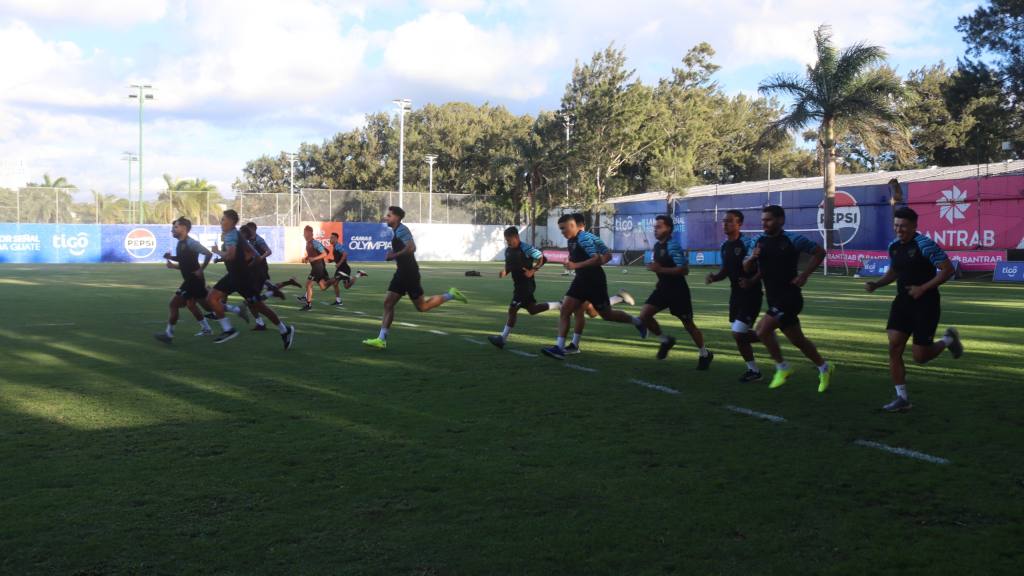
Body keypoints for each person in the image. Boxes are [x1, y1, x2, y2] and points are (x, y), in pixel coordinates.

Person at [865, 206, 963, 412]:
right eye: (896, 226)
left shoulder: (925, 245)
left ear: (914, 226)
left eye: (904, 226)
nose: (899, 230)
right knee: (894, 346)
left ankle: (949, 339)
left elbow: (948, 270)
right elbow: (893, 272)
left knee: (920, 357)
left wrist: (923, 288)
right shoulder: (893, 246)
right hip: (902, 303)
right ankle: (902, 398)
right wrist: (877, 284)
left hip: (926, 304)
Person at [743, 205, 833, 392]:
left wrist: (804, 275)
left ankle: (782, 367)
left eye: (768, 220)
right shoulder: (758, 242)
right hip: (774, 298)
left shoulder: (793, 239)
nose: (764, 223)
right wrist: (752, 258)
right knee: (798, 340)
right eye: (762, 220)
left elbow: (820, 252)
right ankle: (824, 367)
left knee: (762, 330)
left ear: (780, 220)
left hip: (790, 296)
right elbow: (746, 266)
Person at [541, 214, 647, 360]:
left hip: (594, 281)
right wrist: (573, 262)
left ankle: (637, 321)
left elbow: (597, 258)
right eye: (560, 229)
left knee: (606, 314)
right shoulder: (572, 240)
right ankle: (562, 347)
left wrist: (576, 265)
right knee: (568, 310)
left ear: (574, 225)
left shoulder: (584, 238)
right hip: (581, 280)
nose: (562, 232)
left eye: (563, 229)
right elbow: (606, 255)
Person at [362, 206, 468, 350]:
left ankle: (450, 294)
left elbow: (412, 248)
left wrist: (393, 255)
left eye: (389, 215)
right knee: (392, 304)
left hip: (409, 273)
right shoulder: (396, 231)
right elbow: (404, 248)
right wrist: (394, 252)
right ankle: (381, 339)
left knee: (419, 306)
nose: (386, 218)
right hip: (402, 272)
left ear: (397, 218)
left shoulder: (402, 230)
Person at [207, 209, 295, 349]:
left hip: (240, 278)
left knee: (257, 306)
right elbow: (254, 255)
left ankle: (230, 329)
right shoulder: (235, 235)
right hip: (236, 276)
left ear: (231, 221)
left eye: (223, 219)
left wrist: (217, 251)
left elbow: (231, 256)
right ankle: (284, 330)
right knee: (214, 298)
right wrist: (245, 265)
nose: (221, 222)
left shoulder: (231, 235)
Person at [638, 215, 712, 367]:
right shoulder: (658, 246)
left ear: (668, 228)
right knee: (644, 315)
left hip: (678, 291)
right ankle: (666, 340)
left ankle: (705, 353)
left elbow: (684, 270)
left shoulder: (673, 246)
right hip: (663, 289)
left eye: (659, 227)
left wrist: (660, 269)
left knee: (688, 325)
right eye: (654, 227)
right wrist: (658, 275)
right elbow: (660, 266)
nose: (655, 230)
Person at [706, 209, 764, 382]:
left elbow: (762, 267)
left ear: (739, 224)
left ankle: (766, 334)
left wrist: (751, 281)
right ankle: (753, 371)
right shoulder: (725, 246)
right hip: (735, 295)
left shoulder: (747, 243)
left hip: (751, 294)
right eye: (724, 221)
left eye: (730, 221)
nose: (725, 224)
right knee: (738, 333)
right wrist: (715, 277)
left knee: (738, 333)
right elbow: (726, 269)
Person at [488, 226, 562, 349]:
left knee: (512, 309)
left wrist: (533, 270)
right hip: (518, 285)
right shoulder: (508, 250)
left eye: (509, 240)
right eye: (506, 240)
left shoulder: (526, 248)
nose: (508, 242)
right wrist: (504, 272)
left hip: (526, 285)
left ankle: (502, 338)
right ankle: (559, 305)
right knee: (532, 310)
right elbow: (509, 266)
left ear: (516, 237)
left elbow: (543, 258)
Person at [154, 217, 214, 343]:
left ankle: (169, 335)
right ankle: (207, 328)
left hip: (193, 280)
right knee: (194, 305)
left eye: (175, 227)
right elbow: (184, 260)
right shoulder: (181, 243)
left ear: (184, 228)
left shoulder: (191, 243)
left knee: (174, 304)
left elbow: (208, 253)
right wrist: (171, 258)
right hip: (191, 280)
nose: (172, 230)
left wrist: (201, 269)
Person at [327, 231, 368, 306]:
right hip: (341, 269)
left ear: (336, 239)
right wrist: (333, 260)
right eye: (330, 238)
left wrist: (339, 263)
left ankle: (358, 275)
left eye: (332, 238)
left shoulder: (338, 246)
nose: (330, 239)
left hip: (344, 269)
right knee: (343, 286)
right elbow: (339, 256)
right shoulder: (335, 246)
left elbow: (345, 254)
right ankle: (338, 301)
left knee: (337, 283)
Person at [299, 225, 331, 311]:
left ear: (310, 233)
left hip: (318, 267)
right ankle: (334, 280)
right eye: (304, 232)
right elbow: (311, 254)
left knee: (308, 284)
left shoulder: (315, 243)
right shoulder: (308, 243)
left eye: (305, 232)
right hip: (315, 267)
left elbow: (324, 253)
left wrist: (313, 259)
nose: (304, 234)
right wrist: (306, 258)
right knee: (323, 287)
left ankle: (308, 305)